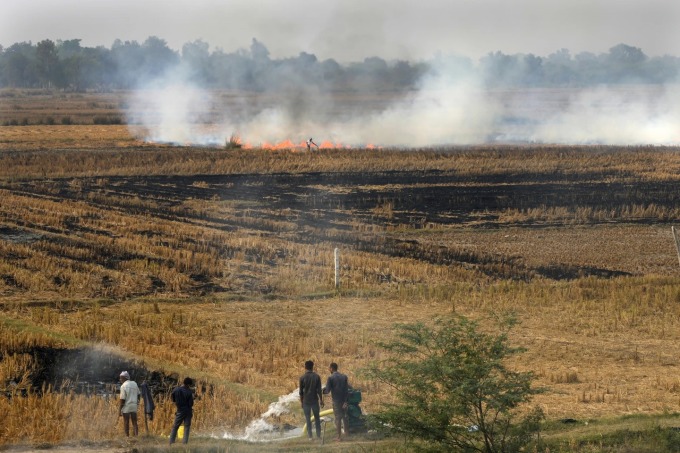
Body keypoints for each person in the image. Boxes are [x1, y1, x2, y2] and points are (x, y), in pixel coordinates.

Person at [323, 362, 350, 441]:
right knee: (345, 417)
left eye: (329, 368)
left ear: (331, 368)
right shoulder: (344, 376)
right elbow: (347, 390)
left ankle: (339, 437)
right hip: (344, 400)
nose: (329, 369)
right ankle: (347, 433)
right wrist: (346, 401)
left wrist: (323, 391)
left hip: (336, 401)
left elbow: (327, 391)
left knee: (338, 418)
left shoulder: (330, 378)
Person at [299, 360, 324, 440]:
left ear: (305, 367)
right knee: (317, 418)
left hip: (306, 401)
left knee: (308, 419)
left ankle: (310, 436)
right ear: (313, 367)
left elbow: (300, 392)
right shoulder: (317, 377)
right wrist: (321, 400)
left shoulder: (302, 377)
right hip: (314, 401)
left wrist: (301, 402)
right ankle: (318, 435)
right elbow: (319, 390)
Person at [169, 377, 194, 444]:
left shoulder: (176, 389)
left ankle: (171, 442)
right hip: (188, 411)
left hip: (179, 410)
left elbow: (173, 399)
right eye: (190, 385)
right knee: (187, 427)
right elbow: (191, 404)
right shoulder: (189, 392)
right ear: (188, 384)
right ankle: (184, 443)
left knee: (175, 426)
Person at [118, 371, 140, 437]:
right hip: (134, 405)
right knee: (134, 422)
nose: (120, 380)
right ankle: (136, 436)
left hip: (127, 406)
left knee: (126, 422)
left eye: (121, 378)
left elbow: (122, 399)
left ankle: (127, 437)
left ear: (125, 378)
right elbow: (139, 394)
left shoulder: (123, 386)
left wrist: (119, 410)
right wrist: (137, 402)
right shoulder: (134, 383)